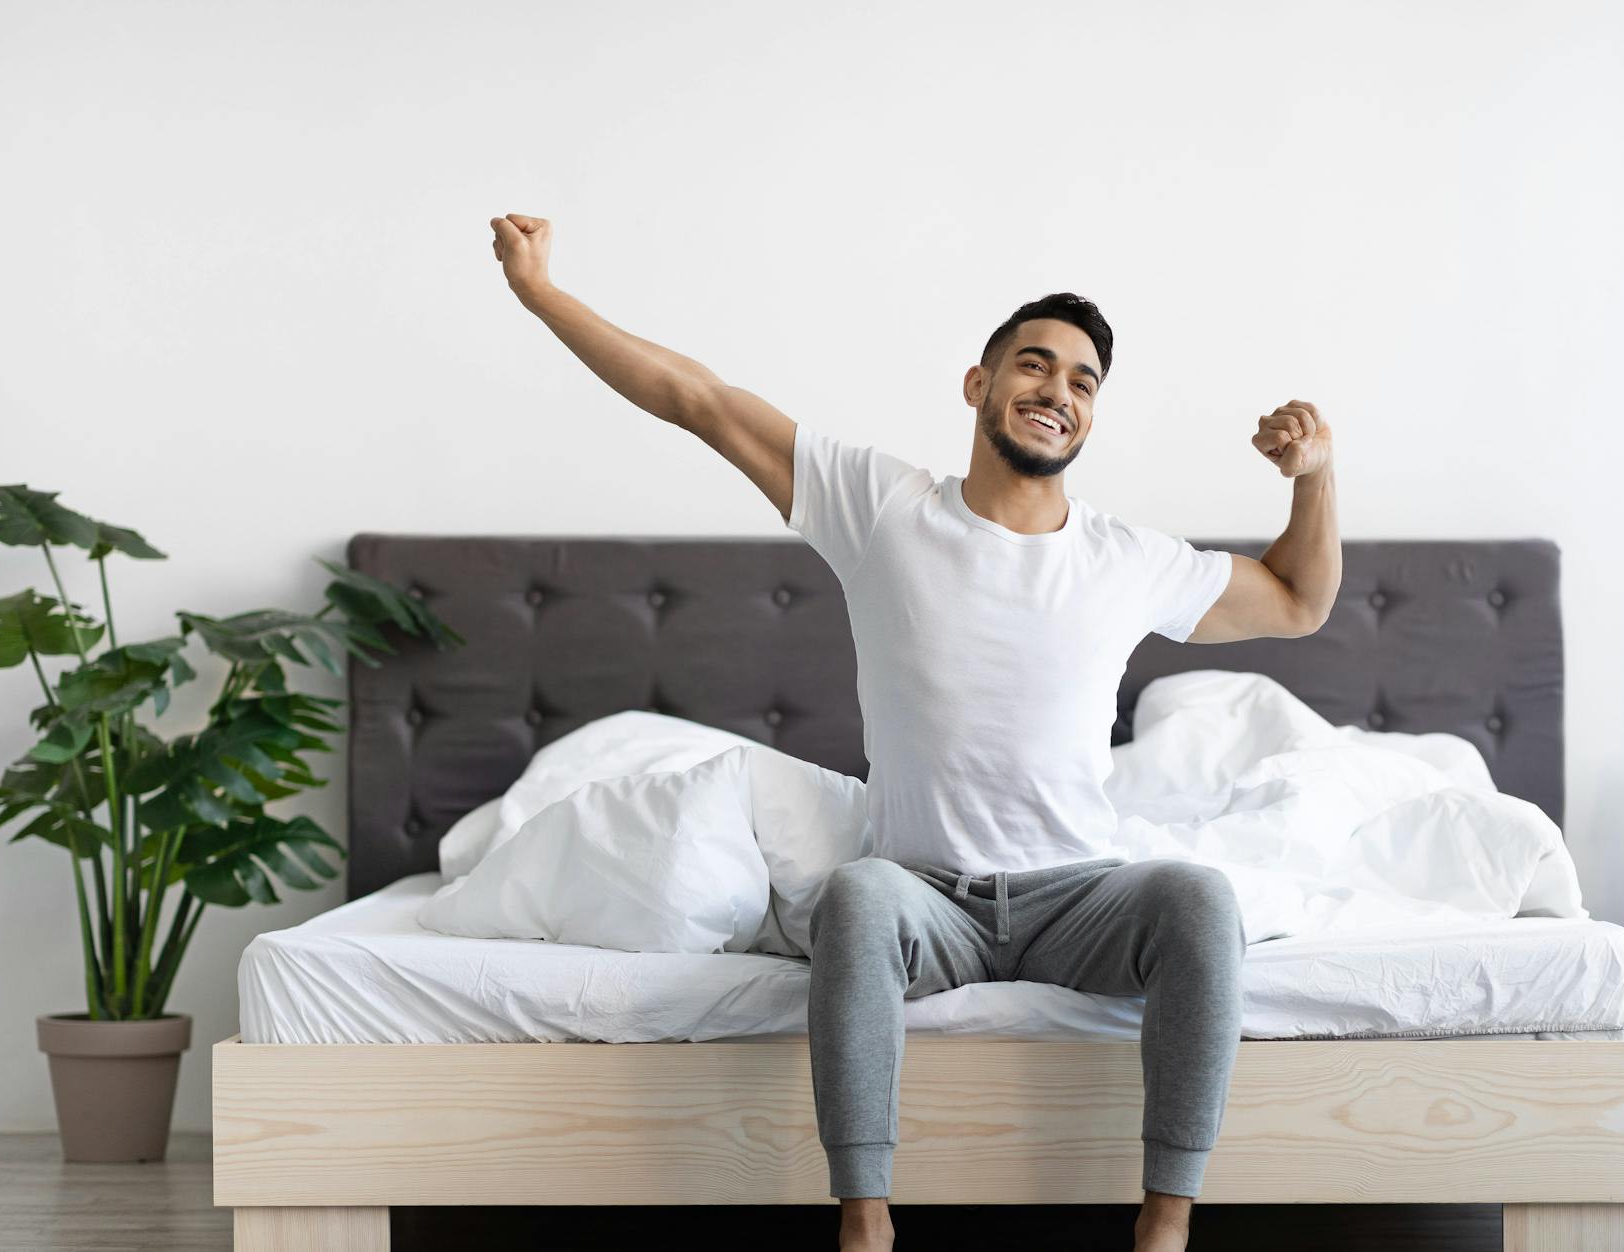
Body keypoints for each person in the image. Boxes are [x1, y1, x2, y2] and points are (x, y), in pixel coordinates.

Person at [489, 213, 1340, 1252]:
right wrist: (541, 294)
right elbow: (700, 401)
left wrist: (1313, 476)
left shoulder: (1126, 559)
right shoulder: (880, 505)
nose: (1057, 391)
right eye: (1033, 365)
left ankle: (1163, 1223)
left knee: (1199, 898)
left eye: (1081, 382)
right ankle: (865, 1220)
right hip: (926, 895)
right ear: (978, 385)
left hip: (1079, 893)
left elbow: (1299, 599)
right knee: (855, 894)